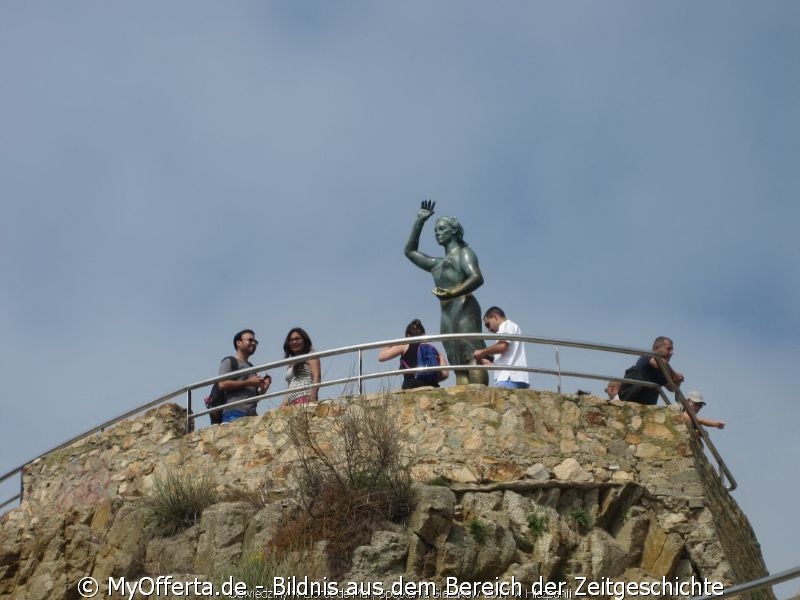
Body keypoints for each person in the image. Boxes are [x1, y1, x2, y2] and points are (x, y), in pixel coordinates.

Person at [404, 200, 488, 385]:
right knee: (456, 362)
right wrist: (420, 222)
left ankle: (479, 398)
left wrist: (452, 292)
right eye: (435, 230)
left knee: (472, 356)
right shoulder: (437, 264)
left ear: (454, 231)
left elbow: (476, 277)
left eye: (442, 229)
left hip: (465, 307)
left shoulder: (464, 253)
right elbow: (409, 251)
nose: (437, 233)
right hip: (447, 313)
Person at [377, 319, 449, 390]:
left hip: (411, 384)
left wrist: (394, 342)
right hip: (432, 385)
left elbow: (381, 357)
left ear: (408, 336)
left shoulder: (405, 345)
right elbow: (445, 374)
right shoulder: (434, 350)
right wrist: (430, 380)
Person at [219, 329, 272, 423]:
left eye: (255, 341)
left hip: (252, 415)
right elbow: (222, 384)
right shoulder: (229, 361)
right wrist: (249, 382)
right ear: (238, 343)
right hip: (234, 413)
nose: (254, 343)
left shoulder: (251, 367)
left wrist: (263, 389)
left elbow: (252, 398)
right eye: (250, 340)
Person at [472, 306, 530, 389]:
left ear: (495, 317)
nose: (489, 329)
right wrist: (492, 365)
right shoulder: (509, 328)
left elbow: (502, 346)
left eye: (488, 324)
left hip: (510, 378)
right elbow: (509, 356)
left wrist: (482, 352)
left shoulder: (507, 325)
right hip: (512, 377)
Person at [618, 336, 685, 406]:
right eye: (668, 349)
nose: (671, 353)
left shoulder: (662, 371)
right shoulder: (647, 356)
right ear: (656, 348)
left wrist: (678, 381)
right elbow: (660, 363)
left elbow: (671, 388)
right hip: (629, 404)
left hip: (646, 407)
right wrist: (674, 374)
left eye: (672, 349)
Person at [280, 327, 321, 406]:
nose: (294, 342)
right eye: (291, 340)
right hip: (292, 402)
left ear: (304, 340)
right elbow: (290, 385)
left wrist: (312, 398)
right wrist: (283, 404)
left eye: (297, 339)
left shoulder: (310, 355)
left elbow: (317, 377)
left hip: (305, 397)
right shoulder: (290, 363)